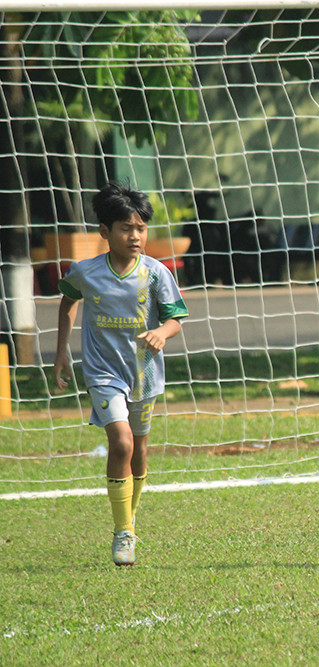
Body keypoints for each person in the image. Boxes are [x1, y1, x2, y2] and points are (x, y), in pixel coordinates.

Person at [54, 182, 189, 566]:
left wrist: (161, 332)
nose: (135, 236)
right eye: (126, 228)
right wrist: (62, 351)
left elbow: (176, 317)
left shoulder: (156, 272)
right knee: (122, 443)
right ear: (105, 232)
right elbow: (67, 302)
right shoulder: (86, 271)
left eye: (141, 228)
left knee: (141, 449)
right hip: (103, 374)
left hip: (143, 374)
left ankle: (130, 517)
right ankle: (123, 532)